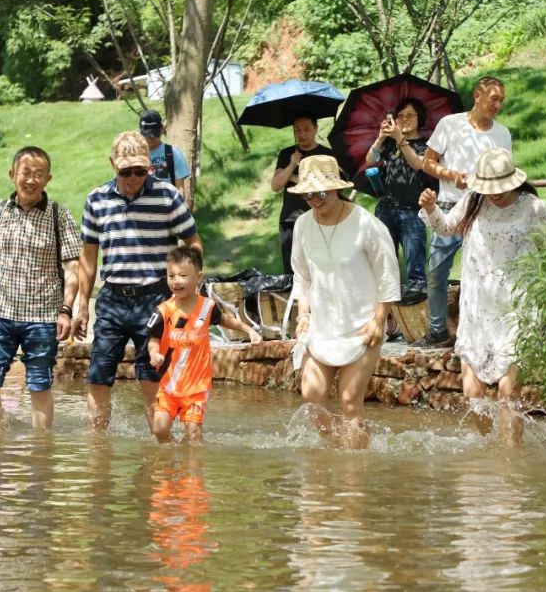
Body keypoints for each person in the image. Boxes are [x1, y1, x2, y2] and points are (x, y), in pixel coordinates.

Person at [71, 131, 204, 432]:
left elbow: (193, 242)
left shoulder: (168, 195)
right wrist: (82, 306)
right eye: (125, 171)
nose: (133, 177)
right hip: (112, 299)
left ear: (150, 167)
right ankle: (97, 455)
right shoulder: (97, 200)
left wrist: (189, 285)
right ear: (112, 165)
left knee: (152, 377)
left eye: (140, 170)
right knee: (98, 375)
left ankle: (161, 451)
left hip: (155, 299)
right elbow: (88, 258)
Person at [418, 148, 546, 445]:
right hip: (477, 308)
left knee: (507, 393)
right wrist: (431, 208)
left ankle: (510, 465)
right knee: (473, 395)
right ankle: (488, 456)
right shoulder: (473, 201)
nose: (494, 195)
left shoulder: (533, 208)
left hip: (517, 308)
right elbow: (447, 228)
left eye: (500, 189)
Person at [290, 155, 401, 449]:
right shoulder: (302, 226)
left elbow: (388, 275)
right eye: (307, 194)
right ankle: (337, 452)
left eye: (320, 193)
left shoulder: (366, 223)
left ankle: (354, 480)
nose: (314, 199)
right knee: (312, 396)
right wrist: (303, 315)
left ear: (336, 188)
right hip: (323, 326)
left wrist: (379, 319)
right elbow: (301, 277)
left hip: (363, 325)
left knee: (350, 399)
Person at [0, 146, 82, 428]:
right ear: (12, 175)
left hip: (43, 317)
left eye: (39, 174)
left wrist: (66, 310)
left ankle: (40, 455)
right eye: (26, 173)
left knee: (39, 386)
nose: (31, 180)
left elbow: (73, 269)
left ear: (48, 179)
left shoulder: (59, 215)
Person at [417, 76, 511, 349]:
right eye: (494, 98)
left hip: (484, 210)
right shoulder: (451, 125)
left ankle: (486, 331)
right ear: (477, 96)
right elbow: (427, 163)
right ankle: (437, 331)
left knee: (486, 273)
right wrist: (450, 175)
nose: (498, 105)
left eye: (502, 100)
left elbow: (505, 173)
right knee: (436, 272)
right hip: (448, 206)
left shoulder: (502, 133)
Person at [147, 246, 262, 443]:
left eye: (183, 275)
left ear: (199, 277)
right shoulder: (163, 311)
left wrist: (249, 330)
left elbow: (226, 320)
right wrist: (154, 353)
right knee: (159, 429)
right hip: (169, 385)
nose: (176, 281)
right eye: (171, 275)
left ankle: (191, 470)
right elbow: (153, 340)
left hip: (197, 387)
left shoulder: (207, 307)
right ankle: (172, 455)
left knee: (193, 434)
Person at [364, 97, 436, 287]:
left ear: (419, 118)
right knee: (384, 265)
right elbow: (370, 160)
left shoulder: (426, 145)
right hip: (385, 210)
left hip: (412, 212)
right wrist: (381, 137)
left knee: (416, 269)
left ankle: (417, 311)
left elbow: (418, 164)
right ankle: (389, 312)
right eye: (400, 115)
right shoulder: (388, 143)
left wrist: (400, 139)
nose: (405, 119)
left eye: (410, 115)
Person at [270, 114, 335, 275]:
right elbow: (276, 185)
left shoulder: (326, 155)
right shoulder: (287, 154)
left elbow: (332, 186)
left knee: (321, 270)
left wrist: (296, 179)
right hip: (290, 220)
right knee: (292, 272)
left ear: (315, 129)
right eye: (297, 130)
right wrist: (292, 165)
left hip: (320, 220)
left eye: (306, 129)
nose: (302, 134)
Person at [140, 109, 191, 196]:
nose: (150, 138)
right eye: (147, 134)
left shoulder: (173, 153)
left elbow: (180, 189)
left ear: (162, 129)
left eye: (153, 134)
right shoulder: (133, 155)